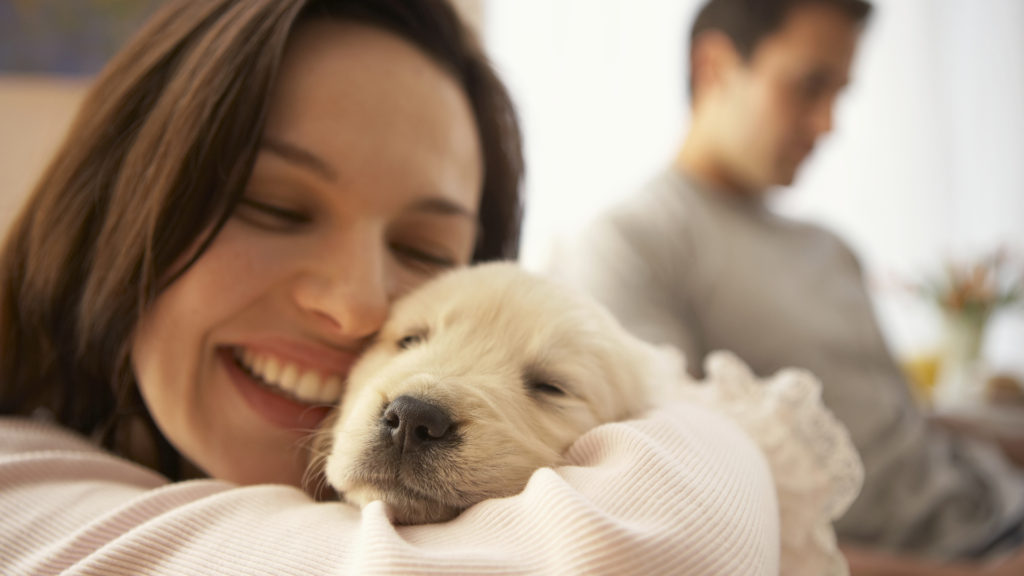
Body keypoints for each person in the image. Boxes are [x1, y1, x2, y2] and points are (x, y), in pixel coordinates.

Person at [0, 1, 786, 574]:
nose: (356, 308)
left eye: (421, 246)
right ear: (119, 203)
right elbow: (670, 541)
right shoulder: (20, 490)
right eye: (274, 207)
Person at [550, 0, 1024, 575]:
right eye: (809, 86)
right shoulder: (634, 245)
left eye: (840, 93)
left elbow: (906, 422)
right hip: (949, 559)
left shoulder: (831, 246)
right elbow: (687, 514)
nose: (828, 124)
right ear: (714, 67)